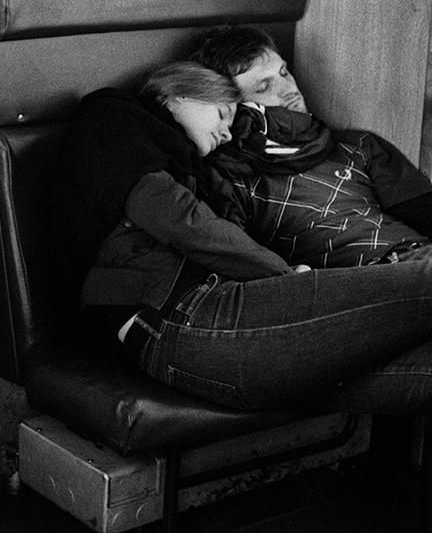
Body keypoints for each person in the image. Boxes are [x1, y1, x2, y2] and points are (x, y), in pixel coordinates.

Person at [63, 61, 432, 414]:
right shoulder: (113, 115)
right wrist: (285, 277)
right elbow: (182, 221)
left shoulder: (199, 172)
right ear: (178, 95)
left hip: (229, 346)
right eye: (223, 113)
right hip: (181, 318)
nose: (226, 131)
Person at [190, 24, 432, 268]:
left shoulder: (355, 145)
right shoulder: (230, 178)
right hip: (359, 284)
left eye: (284, 73)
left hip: (416, 257)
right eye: (264, 87)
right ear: (233, 107)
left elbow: (424, 211)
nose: (289, 90)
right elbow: (237, 265)